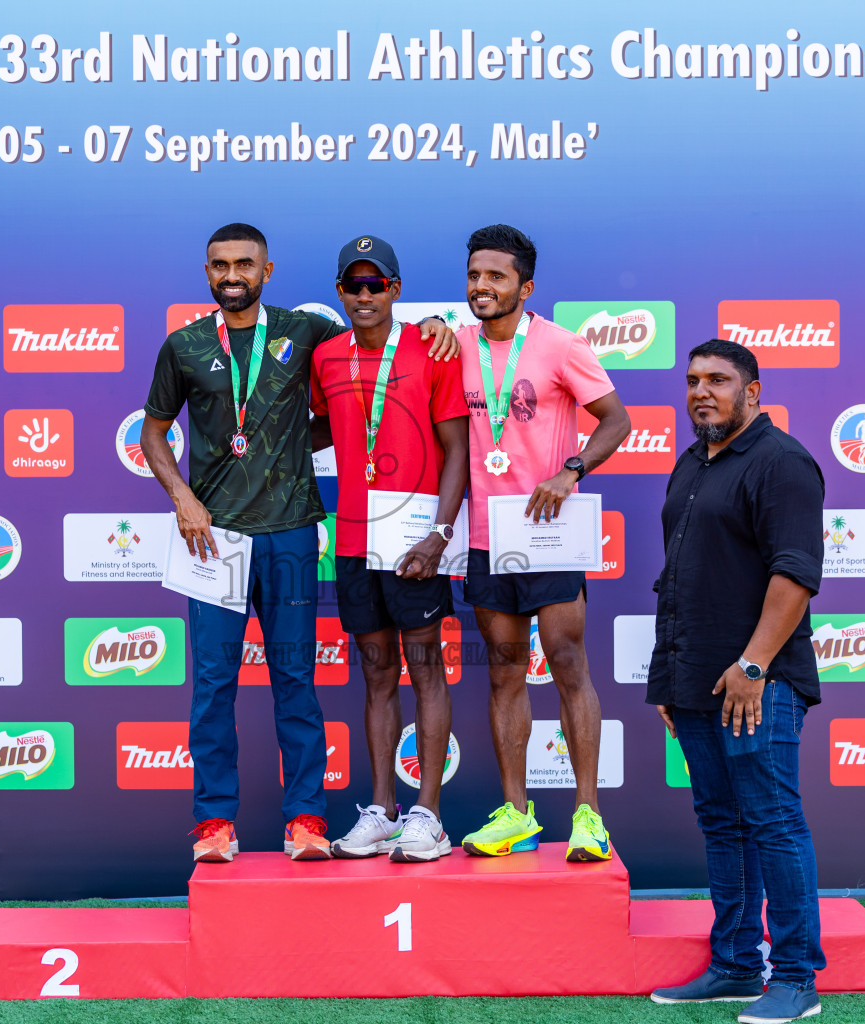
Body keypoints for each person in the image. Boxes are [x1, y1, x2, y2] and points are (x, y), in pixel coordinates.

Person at [140, 223, 457, 863]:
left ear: (268, 270)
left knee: (295, 680)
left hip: (289, 532)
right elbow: (152, 434)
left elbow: (380, 333)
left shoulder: (307, 334)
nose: (233, 275)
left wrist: (439, 328)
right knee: (210, 686)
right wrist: (183, 497)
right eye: (220, 265)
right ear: (207, 272)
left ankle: (305, 820)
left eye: (245, 264)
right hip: (213, 542)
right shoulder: (183, 345)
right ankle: (213, 825)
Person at [647, 339, 827, 1024]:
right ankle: (734, 965)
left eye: (718, 381)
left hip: (760, 680)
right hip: (694, 678)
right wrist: (670, 673)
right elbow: (683, 572)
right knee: (722, 823)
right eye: (693, 380)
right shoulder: (693, 460)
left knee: (773, 821)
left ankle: (797, 978)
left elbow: (796, 575)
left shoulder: (783, 463)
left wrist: (753, 666)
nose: (702, 392)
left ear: (753, 390)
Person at [452, 224, 631, 862]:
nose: (482, 287)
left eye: (496, 277)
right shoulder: (455, 346)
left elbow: (617, 419)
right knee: (503, 674)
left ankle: (588, 815)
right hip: (484, 536)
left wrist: (571, 470)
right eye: (475, 275)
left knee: (569, 665)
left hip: (550, 534)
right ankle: (516, 813)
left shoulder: (561, 345)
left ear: (525, 287)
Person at [308, 235, 469, 862]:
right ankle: (380, 813)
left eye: (378, 284)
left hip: (414, 541)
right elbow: (321, 426)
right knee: (376, 673)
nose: (366, 294)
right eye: (355, 284)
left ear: (396, 290)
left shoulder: (432, 348)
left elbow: (456, 449)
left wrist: (441, 535)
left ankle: (428, 815)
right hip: (352, 535)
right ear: (341, 291)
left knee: (425, 669)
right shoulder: (325, 357)